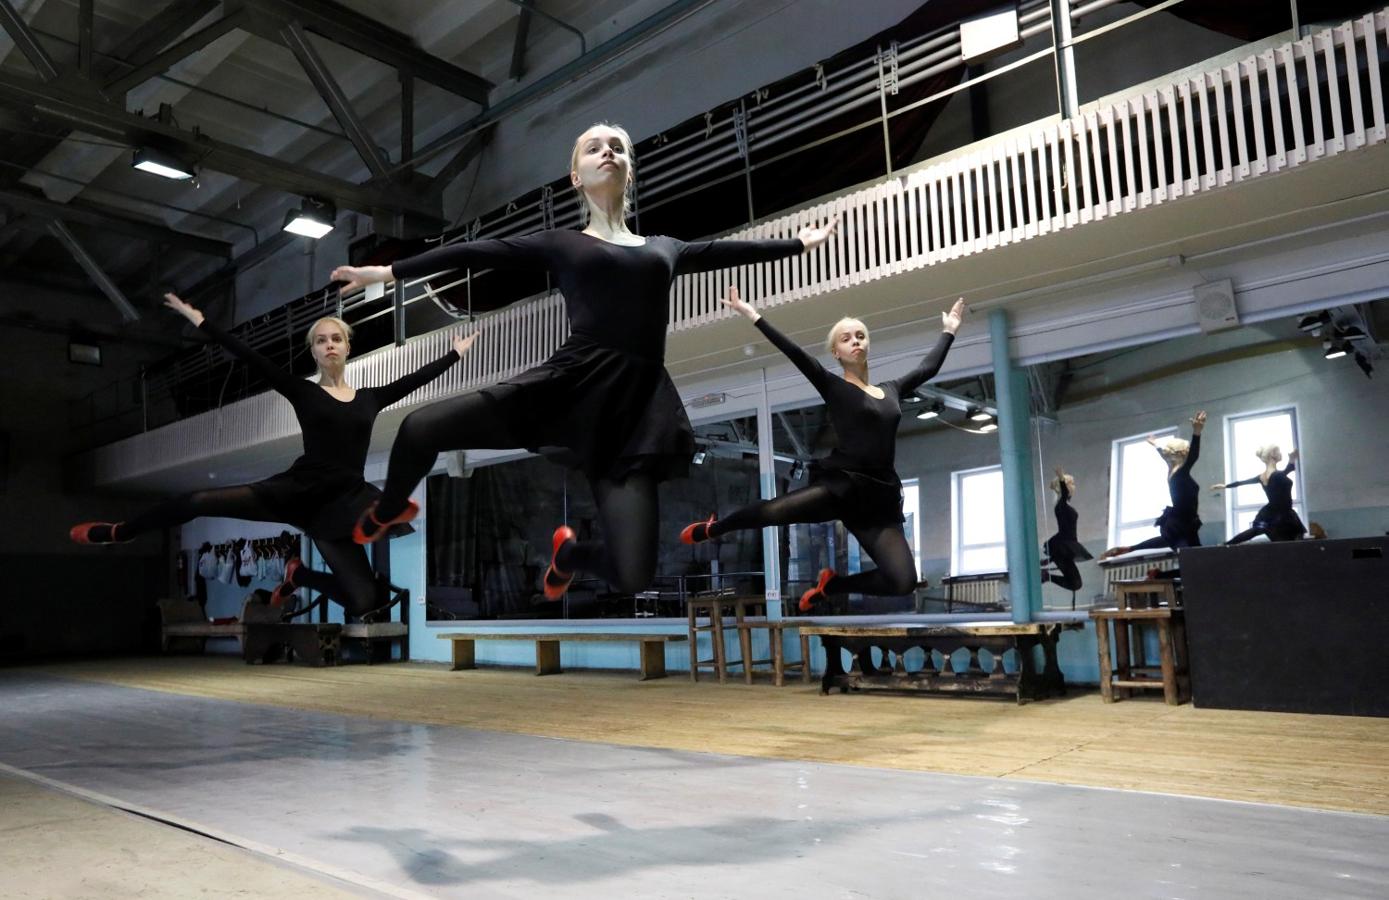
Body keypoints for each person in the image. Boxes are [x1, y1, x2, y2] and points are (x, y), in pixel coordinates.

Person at [331, 122, 838, 599]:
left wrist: (799, 243)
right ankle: (390, 509)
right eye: (595, 148)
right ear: (577, 176)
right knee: (421, 427)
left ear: (628, 171)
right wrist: (388, 271)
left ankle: (570, 553)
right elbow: (474, 252)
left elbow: (729, 250)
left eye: (617, 147)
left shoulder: (666, 248)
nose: (608, 152)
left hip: (635, 411)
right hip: (573, 383)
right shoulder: (563, 243)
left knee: (633, 575)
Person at [70, 293, 474, 618]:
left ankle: (301, 576)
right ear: (314, 351)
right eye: (321, 340)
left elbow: (414, 379)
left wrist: (455, 354)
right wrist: (200, 321)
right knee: (196, 501)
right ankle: (121, 531)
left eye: (336, 338)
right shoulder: (303, 391)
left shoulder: (371, 398)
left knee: (365, 602)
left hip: (342, 500)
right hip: (300, 489)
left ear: (348, 347)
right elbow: (249, 356)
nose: (329, 344)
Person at [681, 286, 965, 611]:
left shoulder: (891, 390)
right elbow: (794, 352)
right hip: (843, 485)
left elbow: (927, 368)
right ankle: (715, 527)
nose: (856, 341)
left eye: (860, 336)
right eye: (847, 338)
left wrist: (948, 331)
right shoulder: (833, 386)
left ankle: (832, 585)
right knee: (773, 512)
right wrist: (753, 315)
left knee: (902, 582)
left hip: (879, 497)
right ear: (836, 352)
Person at [1101, 410, 1206, 558]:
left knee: (1196, 559)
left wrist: (1156, 444)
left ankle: (1129, 548)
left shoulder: (1172, 470)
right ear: (1181, 454)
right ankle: (1136, 554)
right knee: (1192, 560)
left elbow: (1165, 455)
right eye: (1187, 451)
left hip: (1184, 522)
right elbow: (1193, 456)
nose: (1189, 453)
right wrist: (1197, 431)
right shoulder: (1180, 473)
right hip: (1182, 523)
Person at [1212, 446, 1305, 544]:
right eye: (1278, 451)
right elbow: (1284, 472)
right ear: (1273, 455)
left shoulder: (1264, 476)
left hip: (1275, 513)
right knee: (1291, 543)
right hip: (1282, 515)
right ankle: (1227, 544)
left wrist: (1226, 486)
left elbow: (1242, 482)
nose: (1281, 454)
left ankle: (1227, 544)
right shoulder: (1277, 475)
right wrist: (1291, 460)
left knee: (1257, 531)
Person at [1043, 468, 1091, 592]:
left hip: (1065, 547)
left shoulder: (1064, 506)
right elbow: (1064, 494)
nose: (1074, 486)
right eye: (1072, 484)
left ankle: (1046, 576)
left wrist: (1050, 559)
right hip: (1063, 546)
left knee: (1075, 583)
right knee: (1075, 583)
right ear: (1064, 487)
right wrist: (1061, 478)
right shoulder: (1061, 505)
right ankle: (1045, 576)